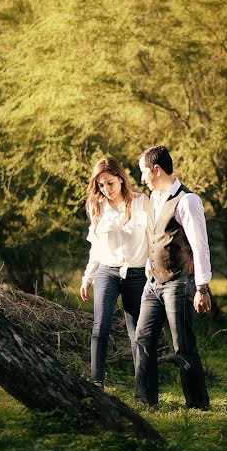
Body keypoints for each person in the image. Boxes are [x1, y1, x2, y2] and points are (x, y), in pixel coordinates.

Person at [133, 145, 211, 410]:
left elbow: (200, 246)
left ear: (156, 169)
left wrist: (202, 287)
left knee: (183, 346)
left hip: (179, 282)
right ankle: (145, 402)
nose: (142, 178)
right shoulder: (154, 198)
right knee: (142, 338)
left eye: (144, 172)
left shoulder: (188, 201)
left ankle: (198, 405)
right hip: (153, 283)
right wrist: (147, 265)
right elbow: (155, 237)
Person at [79, 156, 151, 390]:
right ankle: (97, 383)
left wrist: (152, 270)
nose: (106, 189)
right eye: (101, 185)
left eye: (110, 183)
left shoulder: (142, 202)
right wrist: (88, 277)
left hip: (138, 274)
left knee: (137, 332)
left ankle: (143, 390)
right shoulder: (95, 206)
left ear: (121, 179)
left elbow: (153, 240)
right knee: (100, 327)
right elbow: (96, 246)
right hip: (107, 272)